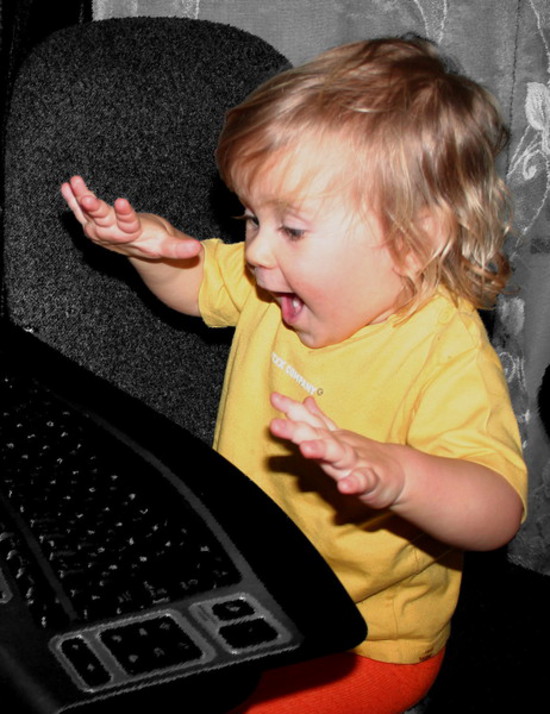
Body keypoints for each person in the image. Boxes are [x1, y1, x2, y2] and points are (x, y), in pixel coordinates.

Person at [61, 36, 527, 714]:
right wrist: (147, 251)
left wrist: (399, 476)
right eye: (253, 219)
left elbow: (496, 511)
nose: (255, 251)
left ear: (414, 241)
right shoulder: (275, 283)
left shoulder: (443, 352)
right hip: (253, 587)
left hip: (367, 640)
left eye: (293, 229)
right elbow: (195, 287)